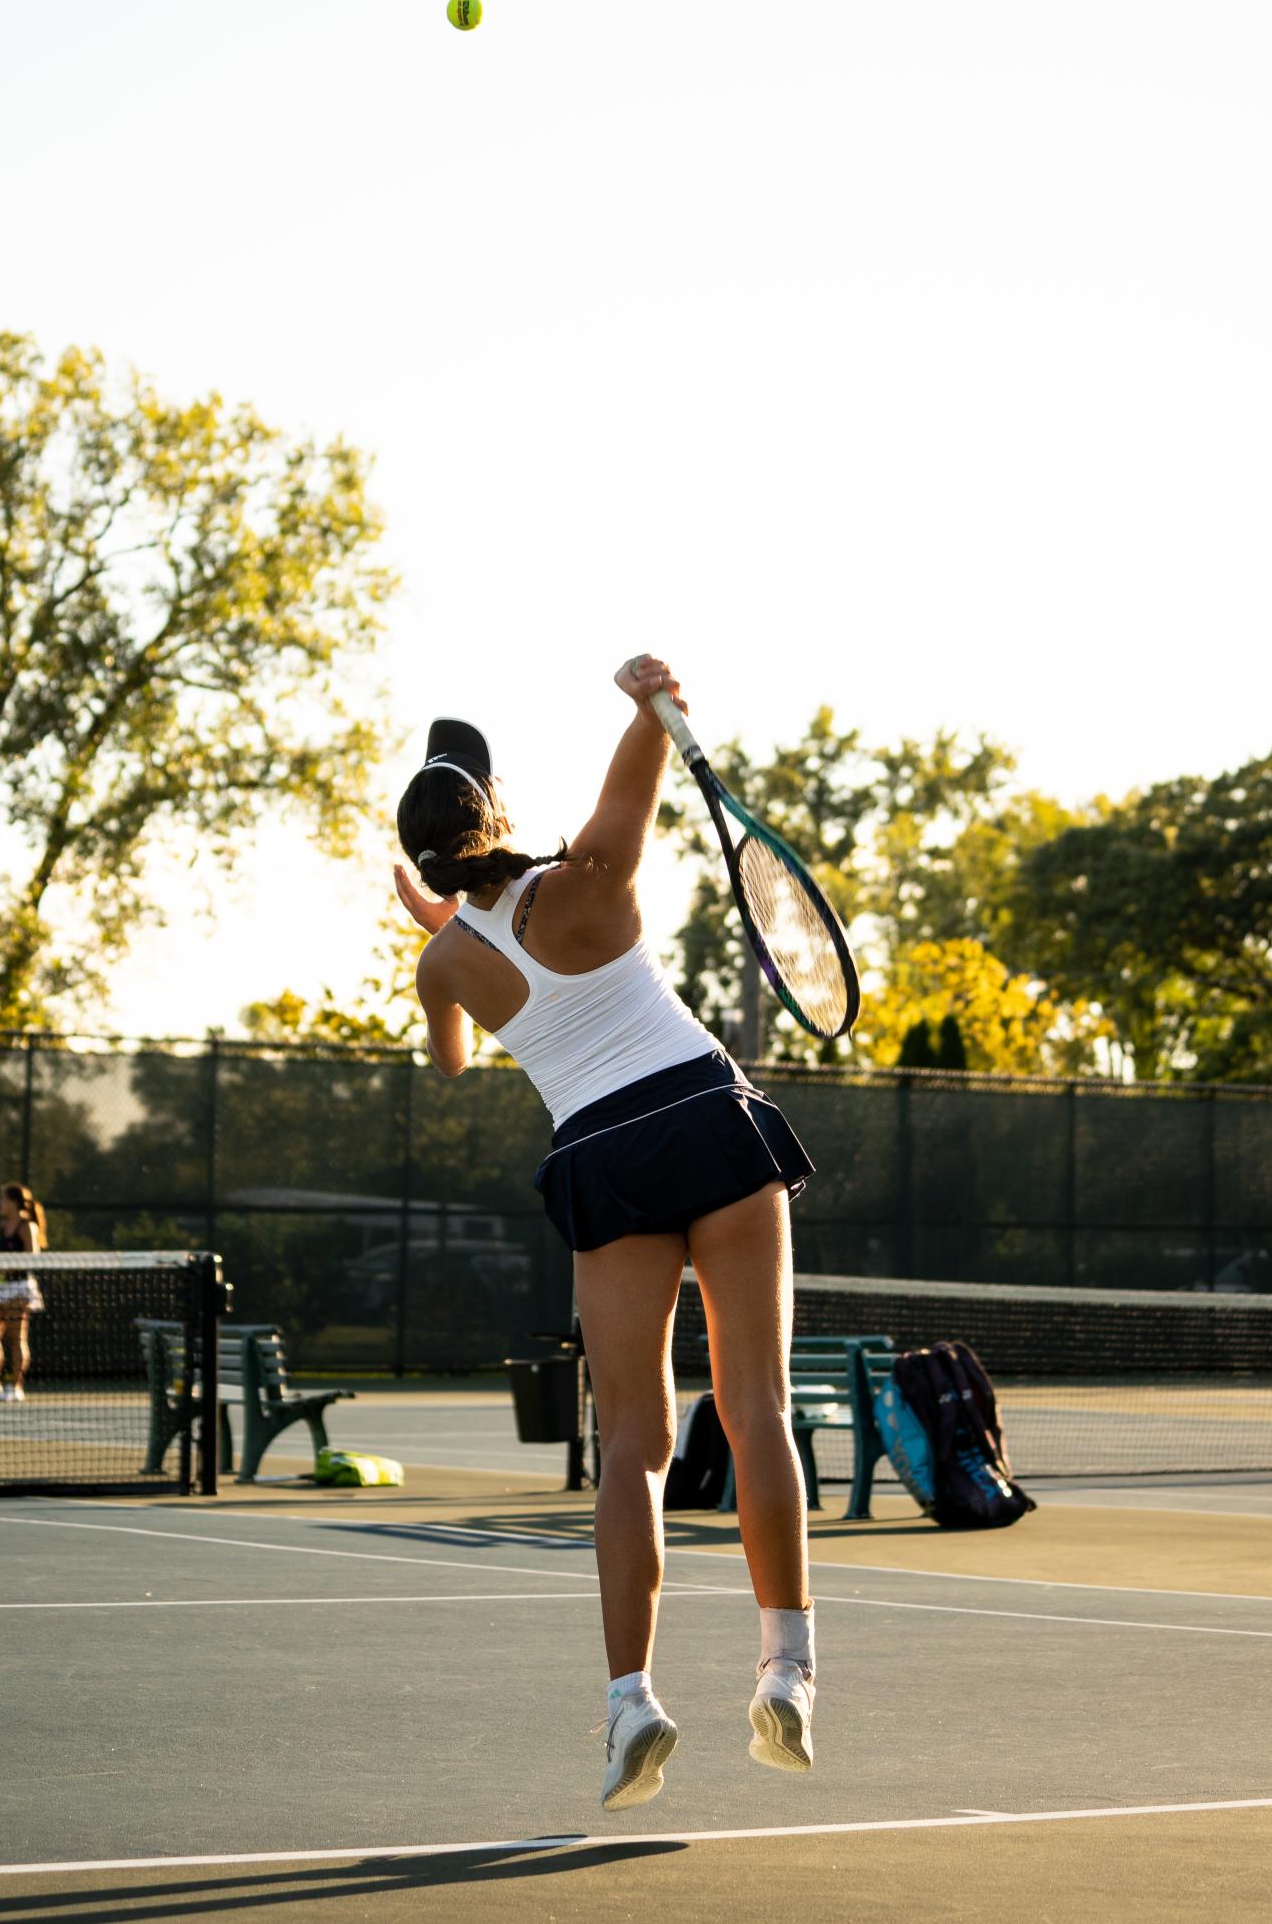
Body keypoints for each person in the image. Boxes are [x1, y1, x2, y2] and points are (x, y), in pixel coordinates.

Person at [393, 658, 818, 1812]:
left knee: (631, 1443)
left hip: (600, 1155)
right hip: (704, 1118)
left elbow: (453, 1055)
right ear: (495, 813)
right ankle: (785, 1667)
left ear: (426, 856)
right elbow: (640, 759)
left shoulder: (442, 960)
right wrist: (648, 696)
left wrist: (440, 929)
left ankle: (630, 1697)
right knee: (755, 1408)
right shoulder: (587, 876)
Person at [0, 1184, 47, 1403]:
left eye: (2, 1199)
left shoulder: (27, 1226)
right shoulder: (4, 1224)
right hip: (0, 1287)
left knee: (16, 1338)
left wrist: (7, 1270)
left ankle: (16, 1387)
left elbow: (32, 1257)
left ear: (13, 1202)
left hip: (20, 1288)